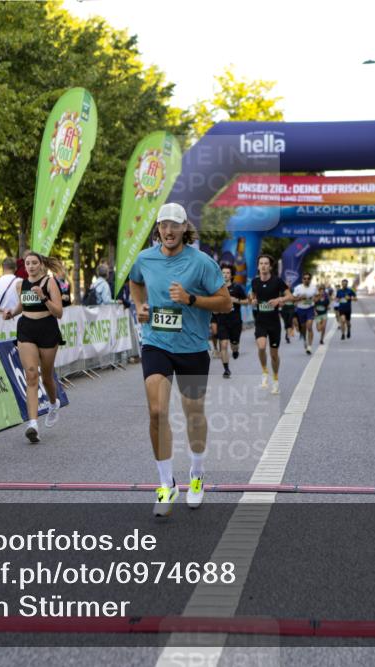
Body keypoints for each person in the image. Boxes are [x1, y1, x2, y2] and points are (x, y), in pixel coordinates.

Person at [128, 202, 231, 517]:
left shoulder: (201, 263)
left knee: (193, 415)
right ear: (158, 228)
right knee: (157, 411)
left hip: (193, 348)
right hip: (157, 343)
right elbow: (135, 281)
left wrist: (191, 299)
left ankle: (196, 475)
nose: (169, 231)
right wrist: (140, 306)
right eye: (163, 225)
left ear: (185, 227)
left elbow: (225, 303)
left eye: (175, 225)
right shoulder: (145, 258)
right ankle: (165, 484)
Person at [3, 251, 65, 444]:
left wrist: (44, 297)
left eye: (34, 263)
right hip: (26, 329)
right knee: (31, 375)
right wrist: (11, 313)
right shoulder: (20, 284)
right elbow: (23, 305)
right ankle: (33, 425)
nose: (30, 266)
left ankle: (54, 404)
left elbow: (59, 313)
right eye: (27, 263)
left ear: (41, 265)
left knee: (46, 376)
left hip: (47, 329)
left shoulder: (49, 282)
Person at [249, 254, 292, 394]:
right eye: (261, 263)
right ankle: (264, 371)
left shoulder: (277, 281)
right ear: (258, 266)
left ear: (270, 266)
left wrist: (279, 299)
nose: (263, 266)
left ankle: (276, 379)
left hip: (274, 323)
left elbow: (290, 296)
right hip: (261, 321)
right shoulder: (255, 282)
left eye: (266, 263)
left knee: (274, 355)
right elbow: (252, 295)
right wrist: (253, 300)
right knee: (261, 347)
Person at [214, 265, 246, 379]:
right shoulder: (217, 289)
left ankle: (236, 349)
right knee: (223, 345)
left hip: (235, 321)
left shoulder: (237, 288)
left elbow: (247, 301)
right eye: (223, 273)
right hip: (222, 321)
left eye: (227, 273)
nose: (225, 275)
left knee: (234, 344)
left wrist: (236, 300)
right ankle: (226, 369)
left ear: (231, 275)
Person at [292, 272, 317, 355]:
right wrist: (300, 298)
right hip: (300, 310)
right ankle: (304, 340)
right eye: (305, 278)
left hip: (309, 309)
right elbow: (293, 299)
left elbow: (316, 298)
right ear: (302, 279)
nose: (306, 280)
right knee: (303, 329)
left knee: (309, 326)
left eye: (308, 278)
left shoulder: (313, 288)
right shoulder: (298, 288)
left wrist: (313, 299)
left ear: (310, 279)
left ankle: (309, 346)